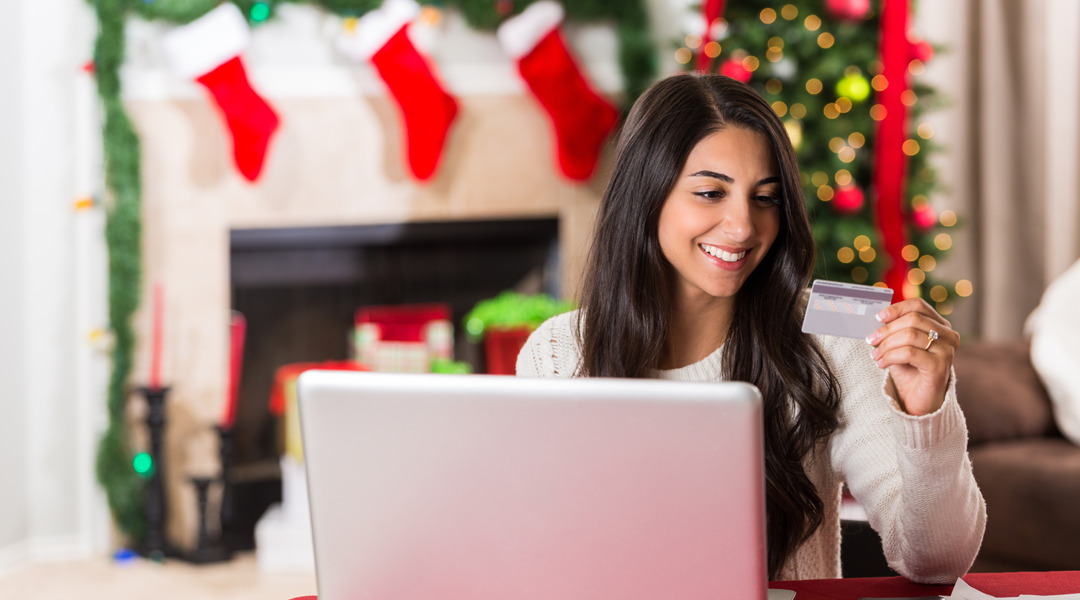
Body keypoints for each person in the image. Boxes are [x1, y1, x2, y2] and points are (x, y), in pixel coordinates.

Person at [516, 73, 986, 583]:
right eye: (710, 193)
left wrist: (927, 413)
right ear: (645, 196)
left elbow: (937, 562)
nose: (743, 227)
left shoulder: (832, 337)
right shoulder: (557, 353)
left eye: (765, 198)